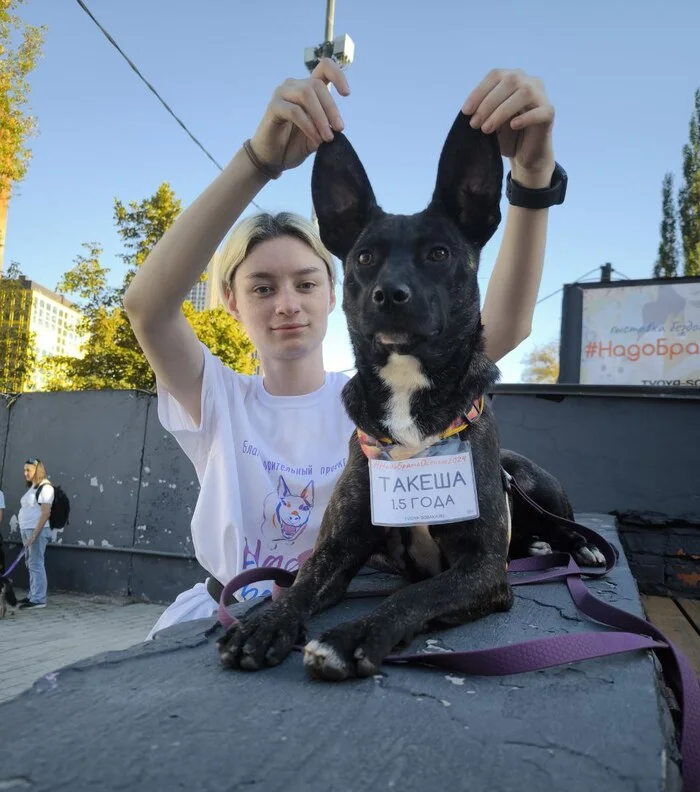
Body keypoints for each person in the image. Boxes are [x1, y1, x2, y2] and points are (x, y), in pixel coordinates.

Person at [123, 63, 558, 639]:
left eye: (305, 283)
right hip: (227, 618)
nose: (286, 304)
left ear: (334, 293)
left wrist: (531, 174)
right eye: (261, 287)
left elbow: (508, 320)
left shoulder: (392, 404)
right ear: (230, 301)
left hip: (342, 615)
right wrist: (258, 162)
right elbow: (146, 309)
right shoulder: (218, 397)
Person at [18, 457, 54, 609]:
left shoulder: (45, 487)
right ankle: (33, 595)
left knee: (36, 563)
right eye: (25, 470)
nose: (26, 473)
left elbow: (46, 513)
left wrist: (34, 535)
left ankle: (39, 599)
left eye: (29, 470)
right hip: (27, 529)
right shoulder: (32, 487)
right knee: (30, 563)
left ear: (37, 470)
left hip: (37, 531)